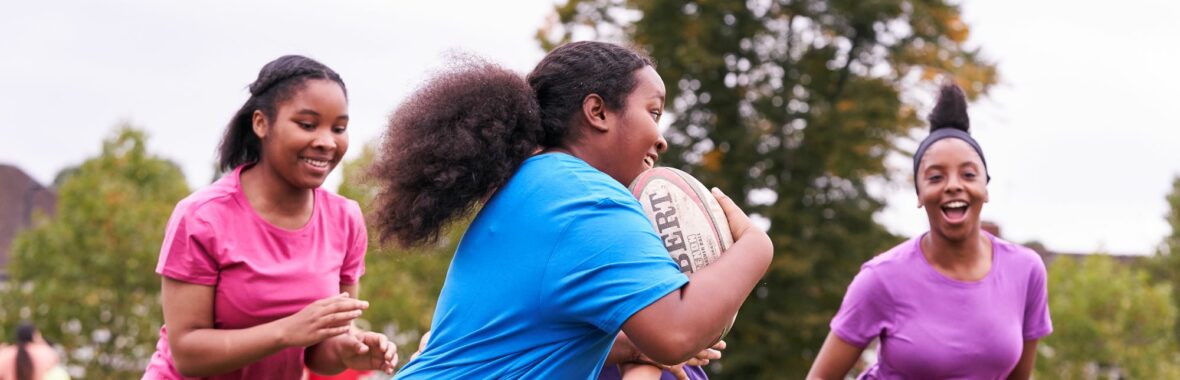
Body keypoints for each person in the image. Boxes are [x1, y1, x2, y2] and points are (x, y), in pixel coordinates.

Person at [370, 41, 773, 379]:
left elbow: (528, 337)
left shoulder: (533, 184)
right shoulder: (590, 199)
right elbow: (676, 333)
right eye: (652, 112)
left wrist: (631, 350)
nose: (660, 138)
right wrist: (756, 247)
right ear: (597, 112)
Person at [142, 55, 396, 379]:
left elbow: (321, 352)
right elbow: (188, 354)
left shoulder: (345, 219)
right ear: (261, 123)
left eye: (339, 128)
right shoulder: (203, 218)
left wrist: (351, 351)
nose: (326, 142)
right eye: (307, 124)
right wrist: (287, 331)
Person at [806, 83, 1053, 379]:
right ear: (920, 194)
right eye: (936, 177)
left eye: (968, 174)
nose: (953, 185)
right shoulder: (881, 278)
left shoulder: (1025, 271)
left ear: (985, 188)